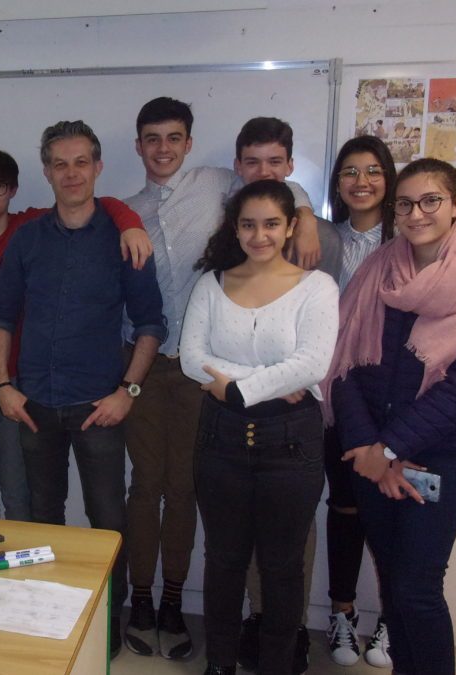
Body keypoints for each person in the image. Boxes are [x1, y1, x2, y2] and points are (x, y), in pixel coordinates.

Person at [325, 158, 456, 675]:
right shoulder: (373, 273)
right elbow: (343, 367)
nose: (416, 213)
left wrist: (388, 449)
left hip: (438, 461)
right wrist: (368, 449)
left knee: (417, 591)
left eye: (430, 200)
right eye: (405, 203)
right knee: (393, 585)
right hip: (371, 460)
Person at [0, 120, 166, 658]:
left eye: (81, 162)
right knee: (45, 521)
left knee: (109, 522)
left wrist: (126, 394)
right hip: (35, 405)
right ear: (46, 171)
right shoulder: (28, 238)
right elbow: (0, 316)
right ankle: (52, 626)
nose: (71, 173)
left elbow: (151, 323)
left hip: (98, 408)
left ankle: (105, 632)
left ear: (98, 167)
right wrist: (2, 385)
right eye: (60, 164)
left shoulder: (124, 238)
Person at [0, 147, 150, 521]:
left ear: (14, 189)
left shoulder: (30, 225)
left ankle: (23, 575)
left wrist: (130, 221)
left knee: (24, 493)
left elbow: (91, 201)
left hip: (31, 383)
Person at [181, 180, 338, 675]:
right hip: (221, 439)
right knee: (224, 561)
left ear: (291, 226)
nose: (260, 235)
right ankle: (220, 664)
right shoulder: (212, 283)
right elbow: (191, 360)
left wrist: (233, 382)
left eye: (271, 223)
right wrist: (254, 385)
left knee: (283, 566)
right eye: (248, 224)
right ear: (235, 227)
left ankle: (276, 665)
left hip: (291, 444)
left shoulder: (318, 287)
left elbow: (312, 363)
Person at [232, 116, 343, 674]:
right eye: (253, 162)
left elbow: (326, 328)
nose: (264, 171)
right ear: (237, 166)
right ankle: (257, 618)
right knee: (247, 523)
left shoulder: (320, 236)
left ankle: (291, 624)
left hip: (298, 405)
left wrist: (304, 216)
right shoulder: (232, 230)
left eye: (275, 162)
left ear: (291, 167)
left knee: (291, 529)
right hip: (240, 403)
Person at [322, 135, 397, 668]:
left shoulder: (408, 241)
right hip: (333, 397)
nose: (361, 181)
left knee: (394, 512)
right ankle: (341, 615)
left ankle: (393, 618)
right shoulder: (323, 240)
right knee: (345, 508)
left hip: (394, 403)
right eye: (350, 171)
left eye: (373, 170)